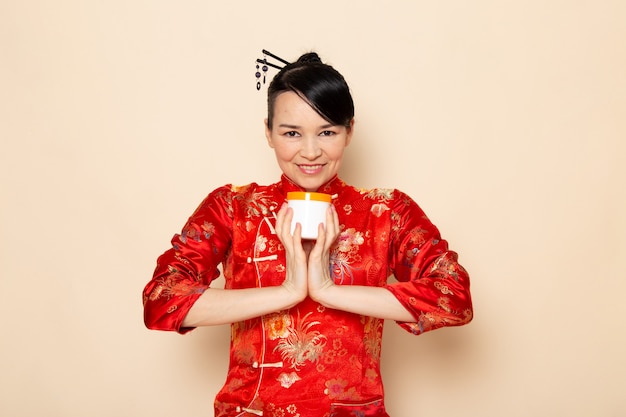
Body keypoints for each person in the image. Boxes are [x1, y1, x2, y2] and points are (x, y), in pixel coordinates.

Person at [143, 51, 473, 417]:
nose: (311, 151)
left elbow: (453, 298)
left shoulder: (386, 212)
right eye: (291, 133)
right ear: (268, 132)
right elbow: (161, 299)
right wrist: (287, 292)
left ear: (350, 131)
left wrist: (328, 291)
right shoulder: (233, 207)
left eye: (327, 131)